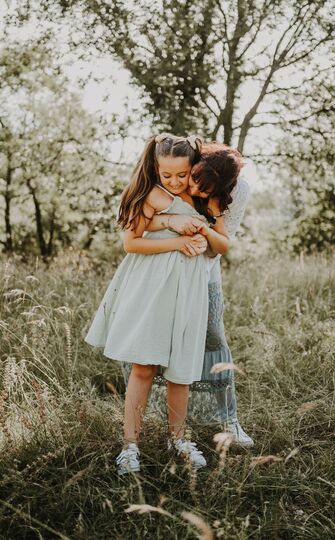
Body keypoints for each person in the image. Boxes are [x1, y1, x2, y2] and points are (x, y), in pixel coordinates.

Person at [84, 133, 229, 475]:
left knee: (181, 371)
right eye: (168, 176)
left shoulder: (206, 197)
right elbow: (131, 244)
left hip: (188, 289)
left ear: (195, 167)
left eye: (183, 174)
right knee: (144, 366)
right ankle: (130, 446)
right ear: (155, 168)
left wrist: (202, 232)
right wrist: (176, 240)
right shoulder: (151, 195)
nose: (176, 182)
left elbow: (222, 245)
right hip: (152, 287)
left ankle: (178, 439)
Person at [122, 142, 255, 447]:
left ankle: (227, 419)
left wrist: (200, 234)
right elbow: (140, 225)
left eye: (201, 187)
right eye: (191, 179)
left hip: (202, 275)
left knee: (212, 340)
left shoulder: (231, 193)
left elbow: (220, 245)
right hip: (162, 276)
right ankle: (139, 436)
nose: (191, 189)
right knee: (150, 353)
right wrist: (172, 223)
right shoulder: (173, 176)